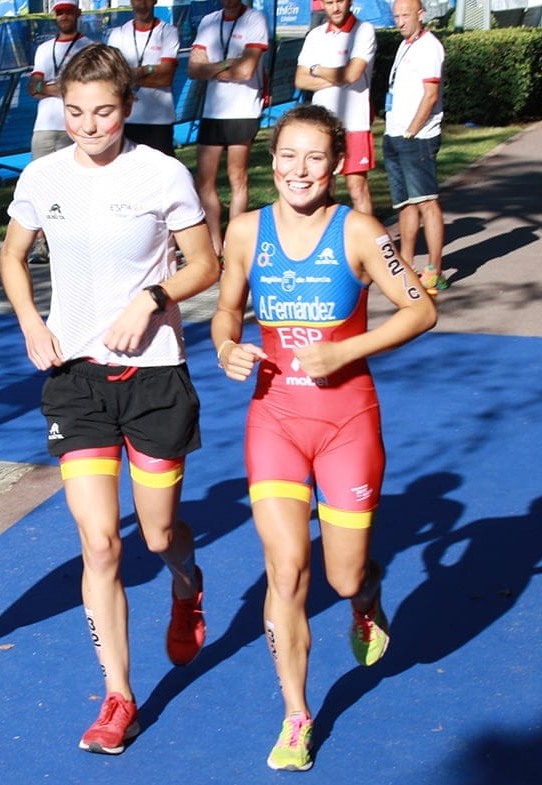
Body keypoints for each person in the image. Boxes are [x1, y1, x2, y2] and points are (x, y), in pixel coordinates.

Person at [0, 43, 221, 755]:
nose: (89, 126)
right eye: (75, 112)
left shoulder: (161, 173)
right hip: (76, 378)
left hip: (154, 376)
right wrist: (32, 320)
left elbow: (205, 264)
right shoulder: (41, 174)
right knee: (99, 542)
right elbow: (10, 254)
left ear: (128, 107)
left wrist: (153, 297)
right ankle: (119, 694)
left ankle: (187, 582)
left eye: (103, 112)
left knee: (155, 536)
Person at [210, 104, 436, 771]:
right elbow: (226, 311)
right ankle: (296, 714)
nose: (298, 170)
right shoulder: (247, 232)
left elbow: (422, 307)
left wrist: (347, 351)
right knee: (285, 568)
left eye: (314, 157)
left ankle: (365, 597)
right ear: (270, 160)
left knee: (339, 574)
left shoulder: (360, 230)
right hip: (274, 416)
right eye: (287, 155)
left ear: (336, 165)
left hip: (347, 421)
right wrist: (226, 346)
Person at [187, 0, 269, 256]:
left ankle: (235, 241)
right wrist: (225, 64)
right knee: (204, 180)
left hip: (243, 110)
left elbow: (246, 71)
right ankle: (214, 244)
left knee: (237, 177)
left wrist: (210, 69)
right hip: (213, 111)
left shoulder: (255, 20)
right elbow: (193, 69)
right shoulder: (209, 22)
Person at [383, 0, 447, 294]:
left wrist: (412, 130)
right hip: (394, 134)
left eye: (405, 15)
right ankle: (406, 263)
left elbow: (430, 95)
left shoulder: (429, 47)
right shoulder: (405, 44)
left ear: (420, 14)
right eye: (396, 16)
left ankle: (434, 269)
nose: (400, 21)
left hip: (417, 138)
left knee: (426, 202)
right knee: (405, 204)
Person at [295, 0, 377, 214]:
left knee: (357, 189)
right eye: (329, 2)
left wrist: (317, 68)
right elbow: (300, 80)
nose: (336, 7)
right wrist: (338, 77)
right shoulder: (315, 35)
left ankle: (367, 244)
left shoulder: (364, 30)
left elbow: (352, 74)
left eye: (339, 1)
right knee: (321, 187)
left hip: (354, 124)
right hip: (321, 126)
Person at [26, 0, 92, 264]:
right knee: (41, 184)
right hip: (44, 125)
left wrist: (52, 87)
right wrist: (64, 87)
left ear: (78, 14)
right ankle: (42, 243)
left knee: (74, 183)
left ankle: (72, 240)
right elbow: (33, 87)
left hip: (72, 125)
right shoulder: (44, 49)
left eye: (69, 12)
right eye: (60, 13)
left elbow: (86, 86)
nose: (64, 17)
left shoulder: (90, 47)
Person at [105, 0, 181, 157]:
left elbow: (166, 78)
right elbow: (112, 78)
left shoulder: (168, 32)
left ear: (154, 1)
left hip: (159, 121)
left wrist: (133, 75)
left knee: (162, 175)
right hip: (126, 120)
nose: (142, 4)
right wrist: (151, 71)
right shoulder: (118, 34)